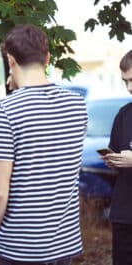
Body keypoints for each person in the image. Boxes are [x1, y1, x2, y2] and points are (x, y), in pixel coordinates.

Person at [0, 24, 87, 264]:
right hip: (63, 244)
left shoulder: (5, 111)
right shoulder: (77, 105)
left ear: (10, 60)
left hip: (18, 248)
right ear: (47, 58)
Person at [101, 50, 132, 265]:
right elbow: (115, 154)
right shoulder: (123, 114)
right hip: (124, 215)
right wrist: (112, 161)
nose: (129, 87)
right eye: (125, 81)